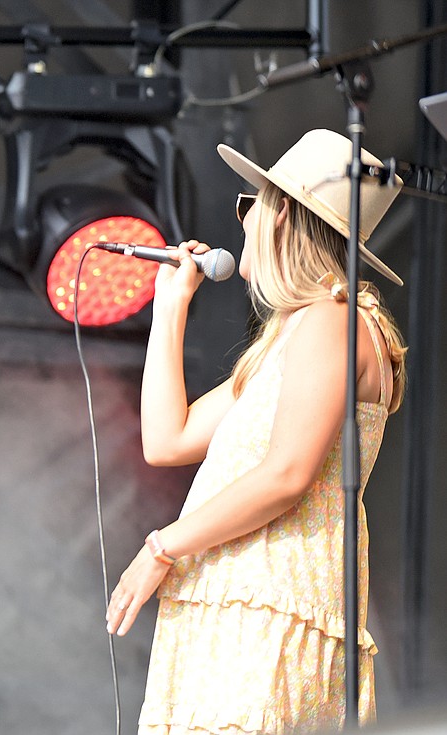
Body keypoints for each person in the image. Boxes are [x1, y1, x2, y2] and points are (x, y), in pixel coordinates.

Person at [105, 129, 408, 733]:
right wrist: (170, 310)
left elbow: (286, 475)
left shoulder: (334, 321)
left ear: (282, 216)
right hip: (236, 608)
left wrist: (161, 547)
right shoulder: (294, 336)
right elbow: (167, 440)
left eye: (252, 201)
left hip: (267, 609)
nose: (240, 216)